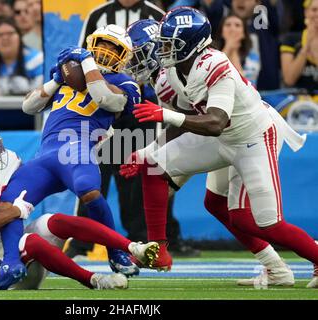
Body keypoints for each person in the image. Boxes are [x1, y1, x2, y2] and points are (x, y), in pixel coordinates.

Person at [120, 7, 318, 288]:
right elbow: (183, 120)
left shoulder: (215, 63)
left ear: (191, 44)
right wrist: (146, 151)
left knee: (264, 222)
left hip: (253, 137)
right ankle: (160, 249)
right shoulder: (171, 73)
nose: (163, 51)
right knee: (156, 166)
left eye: (169, 44)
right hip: (221, 137)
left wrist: (164, 116)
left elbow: (215, 121)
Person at [0, 24, 143, 289]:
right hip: (46, 154)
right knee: (9, 202)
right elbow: (29, 106)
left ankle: (115, 251)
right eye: (102, 44)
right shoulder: (69, 75)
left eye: (113, 47)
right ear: (93, 43)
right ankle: (10, 264)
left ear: (123, 55)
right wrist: (58, 78)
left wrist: (85, 63)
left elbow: (106, 99)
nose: (106, 51)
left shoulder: (124, 82)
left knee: (88, 190)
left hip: (78, 147)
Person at [0, 119, 159, 290]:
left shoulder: (9, 160)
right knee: (31, 240)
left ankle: (130, 247)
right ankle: (94, 280)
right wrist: (15, 210)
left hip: (20, 239)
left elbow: (39, 181)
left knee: (55, 220)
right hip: (6, 264)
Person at [70, 0, 197, 260]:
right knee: (94, 172)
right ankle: (82, 241)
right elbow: (84, 58)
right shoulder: (98, 14)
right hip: (106, 104)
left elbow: (169, 61)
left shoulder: (157, 15)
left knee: (139, 172)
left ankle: (139, 239)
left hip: (145, 108)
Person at [280, 0, 318, 92]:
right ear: (306, 12)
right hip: (300, 101)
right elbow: (289, 80)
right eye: (314, 10)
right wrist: (306, 46)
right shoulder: (291, 39)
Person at [214, 13, 260, 86]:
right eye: (228, 25)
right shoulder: (212, 53)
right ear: (221, 32)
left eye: (237, 25)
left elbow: (246, 84)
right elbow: (212, 73)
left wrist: (234, 51)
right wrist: (228, 47)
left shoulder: (252, 56)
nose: (232, 29)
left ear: (244, 33)